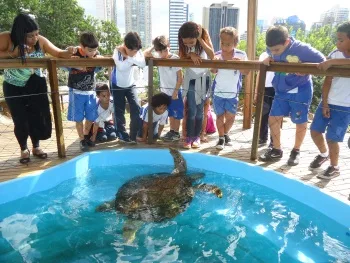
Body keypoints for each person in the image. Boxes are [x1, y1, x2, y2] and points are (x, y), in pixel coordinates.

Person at [0, 13, 75, 163]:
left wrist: (69, 52)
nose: (35, 38)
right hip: (13, 86)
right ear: (19, 34)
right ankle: (24, 149)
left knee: (37, 116)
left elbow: (59, 53)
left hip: (34, 85)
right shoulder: (6, 38)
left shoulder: (40, 41)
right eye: (30, 36)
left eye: (37, 34)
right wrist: (12, 54)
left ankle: (36, 146)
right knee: (20, 119)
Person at [259, 25, 325, 166]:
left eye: (276, 50)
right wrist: (269, 58)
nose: (274, 52)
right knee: (273, 119)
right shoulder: (272, 48)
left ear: (287, 42)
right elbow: (271, 54)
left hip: (300, 90)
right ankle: (276, 149)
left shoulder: (302, 49)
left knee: (300, 121)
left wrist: (306, 69)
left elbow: (322, 60)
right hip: (280, 89)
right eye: (271, 50)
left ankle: (296, 151)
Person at [309, 21, 350, 179]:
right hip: (329, 100)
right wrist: (325, 102)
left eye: (341, 40)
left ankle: (334, 167)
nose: (337, 43)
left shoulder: (333, 59)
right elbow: (328, 80)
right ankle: (324, 154)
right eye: (337, 39)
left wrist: (332, 62)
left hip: (345, 106)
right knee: (315, 131)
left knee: (333, 137)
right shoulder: (334, 54)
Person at [178, 22, 214, 149]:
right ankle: (189, 137)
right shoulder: (184, 45)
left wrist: (200, 39)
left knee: (200, 111)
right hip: (191, 79)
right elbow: (181, 56)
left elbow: (212, 56)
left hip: (204, 78)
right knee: (192, 110)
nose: (188, 45)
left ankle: (196, 137)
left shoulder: (202, 39)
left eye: (191, 42)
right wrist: (190, 54)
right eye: (185, 43)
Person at [211, 27, 248, 150]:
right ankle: (221, 138)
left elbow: (246, 72)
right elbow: (213, 71)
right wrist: (214, 63)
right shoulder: (216, 55)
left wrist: (240, 64)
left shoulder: (241, 54)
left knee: (231, 117)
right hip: (218, 92)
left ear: (235, 43)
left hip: (233, 92)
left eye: (228, 44)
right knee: (219, 116)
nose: (225, 46)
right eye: (222, 43)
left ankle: (225, 134)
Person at [65, 32, 103, 152]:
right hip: (76, 92)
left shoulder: (95, 55)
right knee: (79, 118)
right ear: (82, 46)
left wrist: (97, 58)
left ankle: (86, 136)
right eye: (90, 50)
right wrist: (74, 64)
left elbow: (101, 63)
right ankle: (81, 139)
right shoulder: (73, 53)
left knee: (91, 117)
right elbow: (62, 62)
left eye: (95, 50)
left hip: (90, 92)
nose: (93, 53)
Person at [144, 35, 184, 142]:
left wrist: (176, 91)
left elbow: (180, 77)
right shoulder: (158, 59)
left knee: (177, 114)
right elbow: (145, 53)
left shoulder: (175, 58)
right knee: (170, 113)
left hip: (175, 92)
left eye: (165, 50)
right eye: (160, 51)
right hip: (164, 93)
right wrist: (154, 47)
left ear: (169, 46)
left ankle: (176, 132)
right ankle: (171, 131)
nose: (164, 54)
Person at [111, 32, 146, 143]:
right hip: (117, 84)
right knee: (119, 111)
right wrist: (131, 59)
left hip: (130, 84)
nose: (134, 53)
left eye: (136, 51)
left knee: (136, 107)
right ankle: (122, 135)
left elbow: (142, 63)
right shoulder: (117, 51)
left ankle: (133, 135)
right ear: (125, 46)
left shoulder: (136, 51)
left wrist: (127, 57)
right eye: (132, 51)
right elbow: (121, 67)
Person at [255, 51, 275, 147]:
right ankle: (262, 137)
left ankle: (274, 140)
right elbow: (259, 73)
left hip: (277, 88)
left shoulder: (283, 54)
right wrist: (256, 91)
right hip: (265, 88)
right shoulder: (263, 55)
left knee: (275, 116)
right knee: (264, 114)